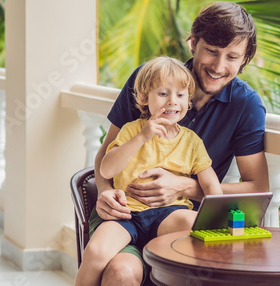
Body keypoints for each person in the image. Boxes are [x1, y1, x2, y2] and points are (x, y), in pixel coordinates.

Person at [93, 1, 269, 285]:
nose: (219, 66)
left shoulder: (246, 105)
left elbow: (257, 187)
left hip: (183, 222)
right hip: (125, 216)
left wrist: (183, 185)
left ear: (245, 59)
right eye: (211, 51)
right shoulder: (148, 79)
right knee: (121, 272)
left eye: (232, 57)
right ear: (193, 42)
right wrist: (103, 192)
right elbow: (107, 150)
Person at [75, 56, 223, 286]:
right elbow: (106, 168)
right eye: (163, 94)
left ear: (188, 100)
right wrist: (142, 137)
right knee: (96, 252)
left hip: (168, 214)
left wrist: (219, 213)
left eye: (180, 95)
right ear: (144, 98)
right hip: (126, 214)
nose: (173, 101)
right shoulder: (131, 130)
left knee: (198, 224)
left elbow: (210, 184)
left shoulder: (192, 142)